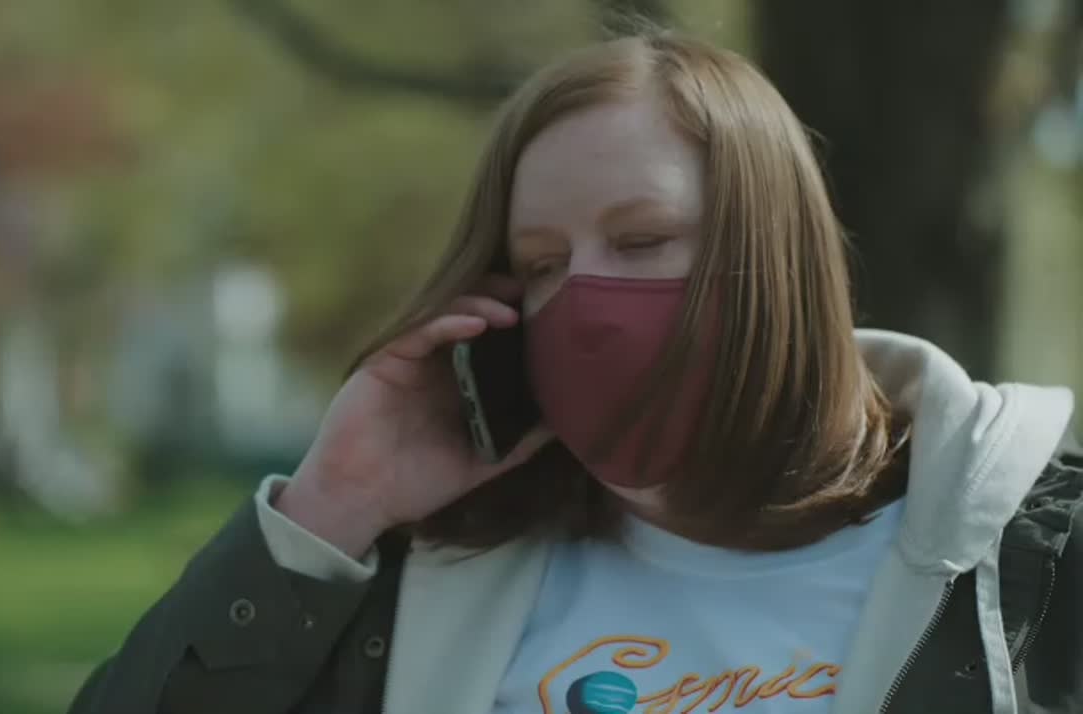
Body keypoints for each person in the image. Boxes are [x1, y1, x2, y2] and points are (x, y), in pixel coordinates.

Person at [68, 29, 1082, 714]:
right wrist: (331, 508)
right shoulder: (425, 571)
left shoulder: (1041, 560)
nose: (587, 301)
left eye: (641, 241)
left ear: (774, 256)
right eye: (543, 263)